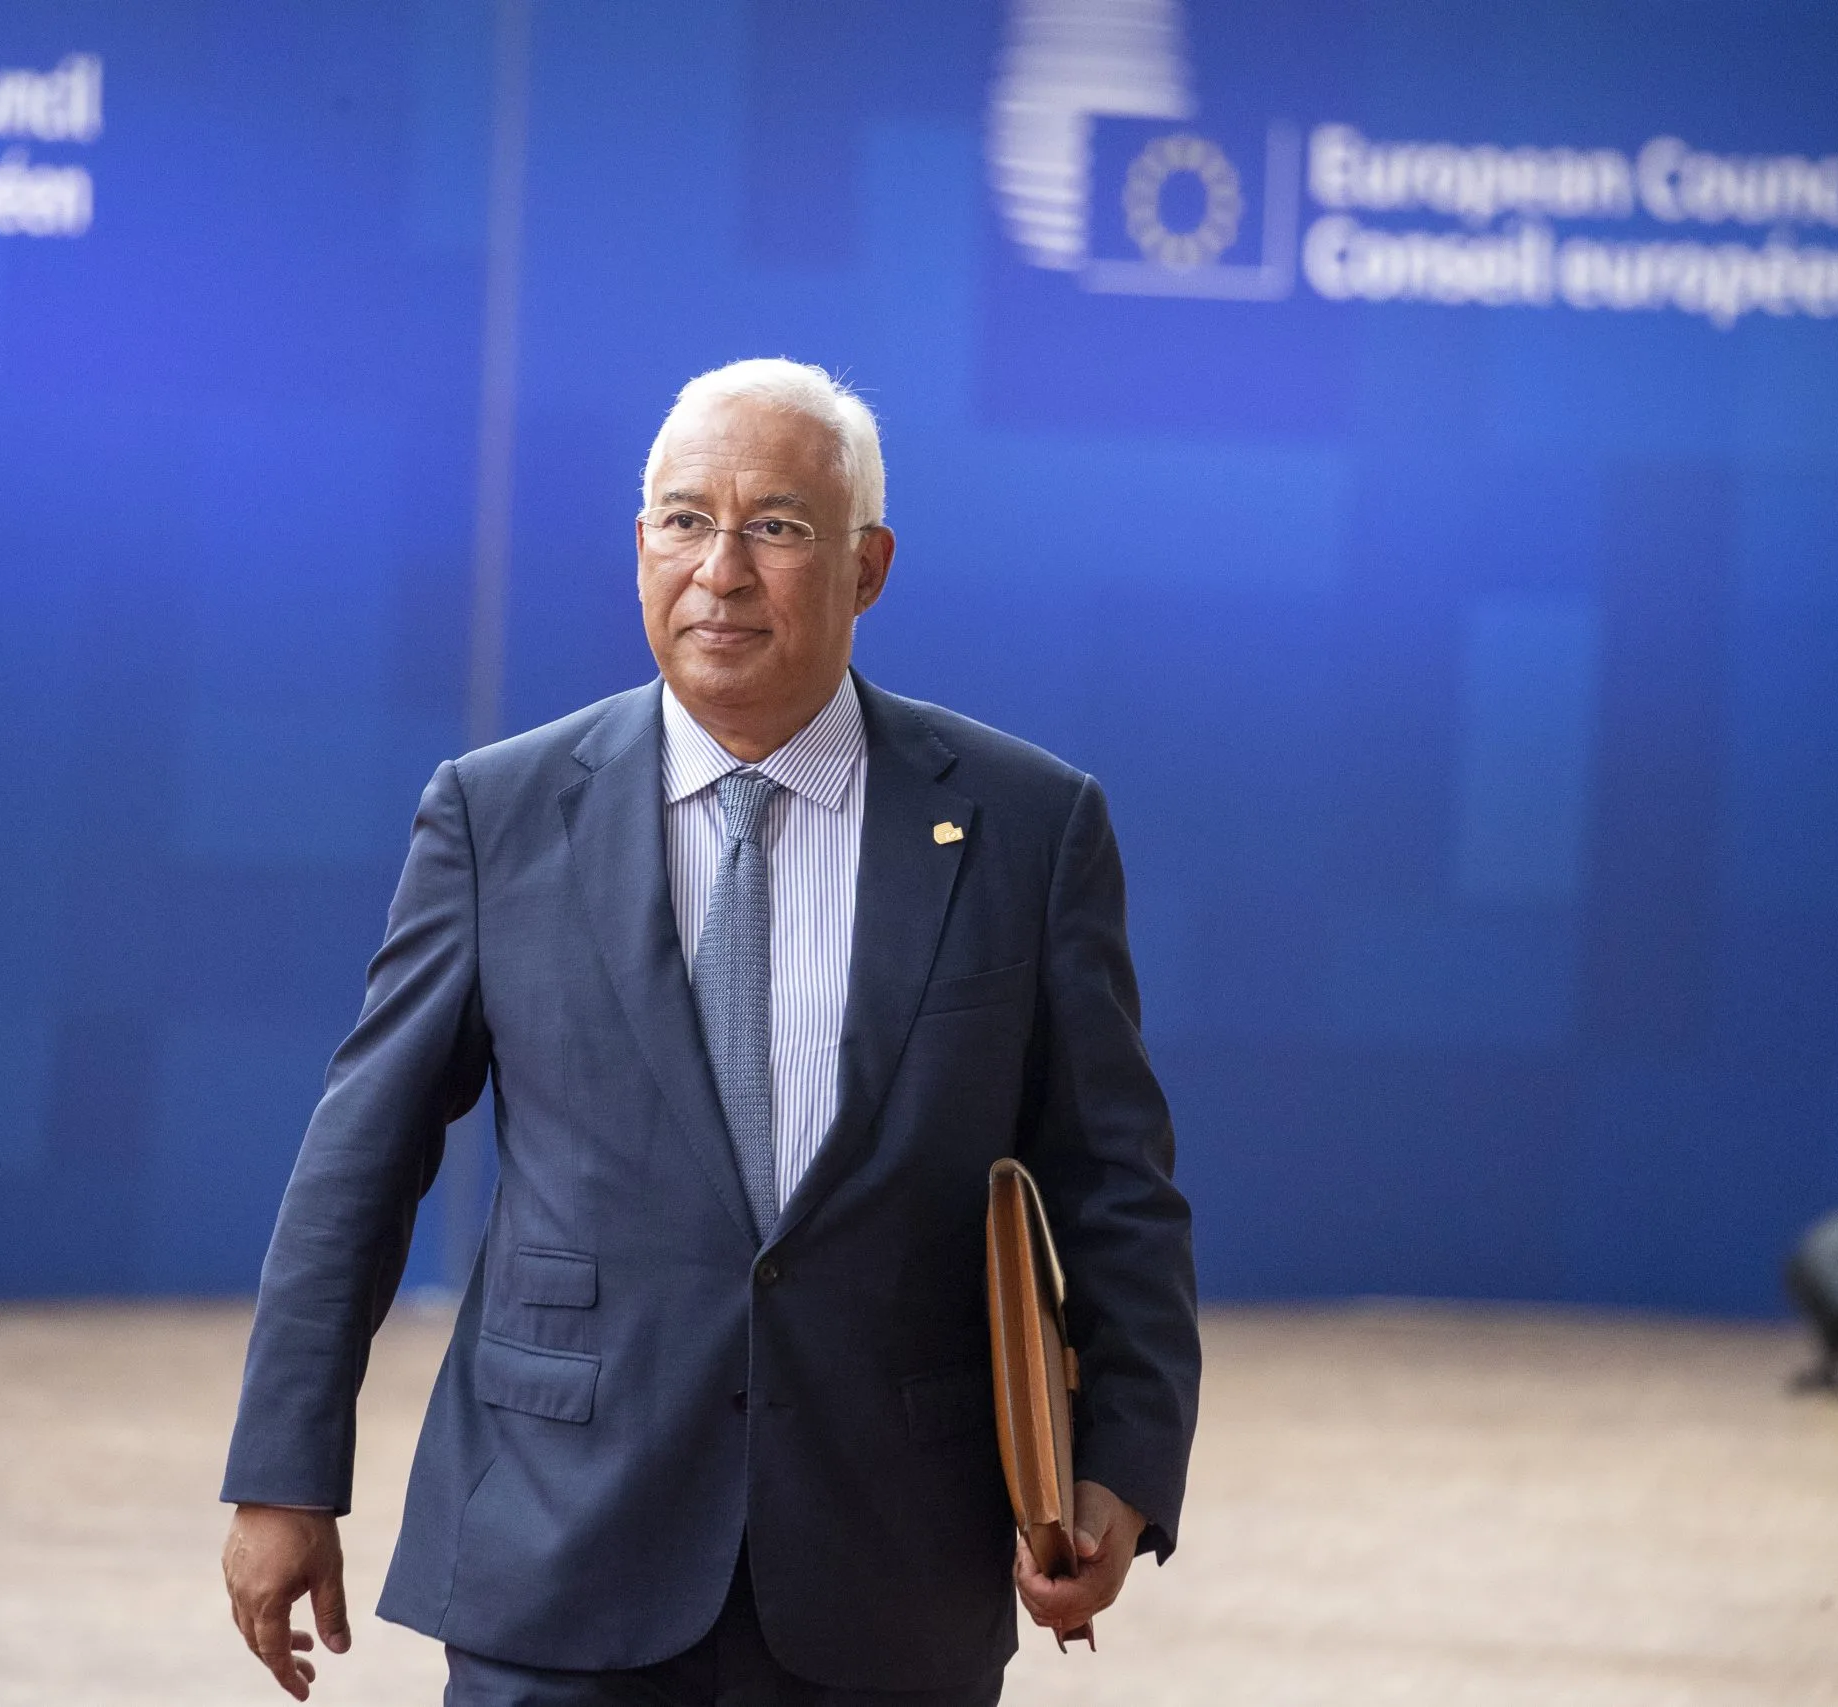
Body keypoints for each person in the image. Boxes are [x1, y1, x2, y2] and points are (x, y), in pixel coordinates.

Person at [219, 358, 1200, 1705]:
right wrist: (284, 1475)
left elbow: (1114, 1185)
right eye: (686, 521)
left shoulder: (1028, 826)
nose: (721, 571)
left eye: (777, 527)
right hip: (559, 1547)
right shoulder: (497, 816)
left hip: (888, 1570)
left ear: (868, 567)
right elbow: (360, 1162)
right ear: (641, 548)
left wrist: (1124, 1463)